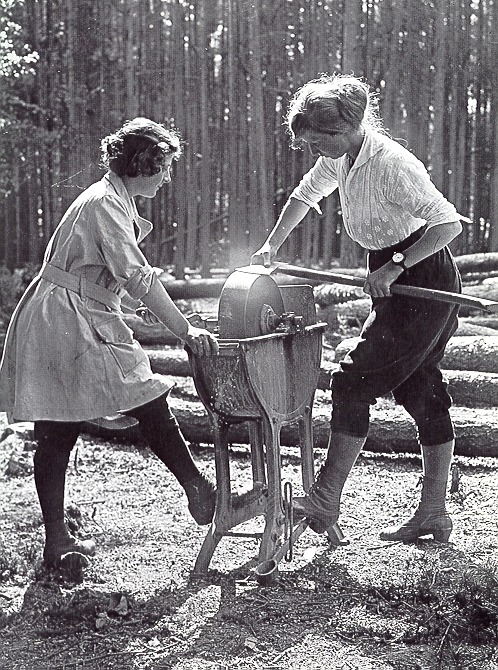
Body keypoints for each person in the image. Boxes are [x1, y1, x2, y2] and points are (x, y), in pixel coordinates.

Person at [251, 74, 463, 543]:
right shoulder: (342, 158)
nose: (313, 153)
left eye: (316, 143)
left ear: (344, 129)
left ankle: (327, 498)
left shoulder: (391, 163)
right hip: (392, 275)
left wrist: (396, 266)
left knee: (352, 380)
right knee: (421, 388)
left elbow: (447, 223)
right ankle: (434, 513)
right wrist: (271, 245)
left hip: (424, 277)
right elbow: (304, 195)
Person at [0, 117, 219, 568]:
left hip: (77, 311)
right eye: (164, 166)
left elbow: (109, 277)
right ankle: (192, 489)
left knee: (105, 408)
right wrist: (186, 331)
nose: (167, 177)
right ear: (143, 164)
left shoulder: (113, 201)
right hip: (62, 318)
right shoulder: (103, 204)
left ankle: (194, 488)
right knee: (74, 420)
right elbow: (138, 277)